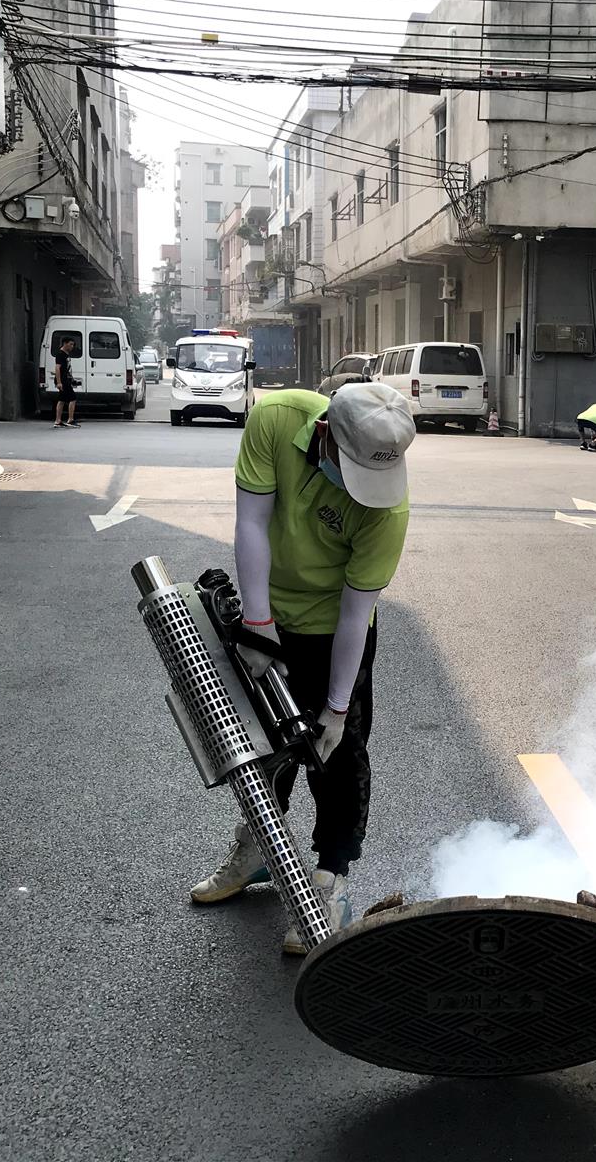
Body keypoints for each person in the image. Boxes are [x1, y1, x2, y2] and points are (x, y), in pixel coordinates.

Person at [189, 381, 415, 956]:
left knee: (334, 752)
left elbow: (357, 612)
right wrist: (259, 624)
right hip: (269, 604)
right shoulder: (275, 418)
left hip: (332, 624)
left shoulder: (388, 510)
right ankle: (260, 847)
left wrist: (337, 709)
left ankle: (330, 876)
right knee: (258, 741)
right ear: (325, 434)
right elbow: (251, 523)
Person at [53, 337, 80, 428]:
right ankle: (70, 420)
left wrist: (71, 378)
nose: (72, 346)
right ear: (65, 343)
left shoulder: (66, 354)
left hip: (66, 379)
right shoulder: (60, 354)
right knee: (72, 398)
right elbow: (57, 368)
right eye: (70, 344)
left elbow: (67, 369)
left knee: (62, 400)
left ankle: (58, 421)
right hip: (62, 380)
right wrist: (59, 382)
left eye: (73, 344)